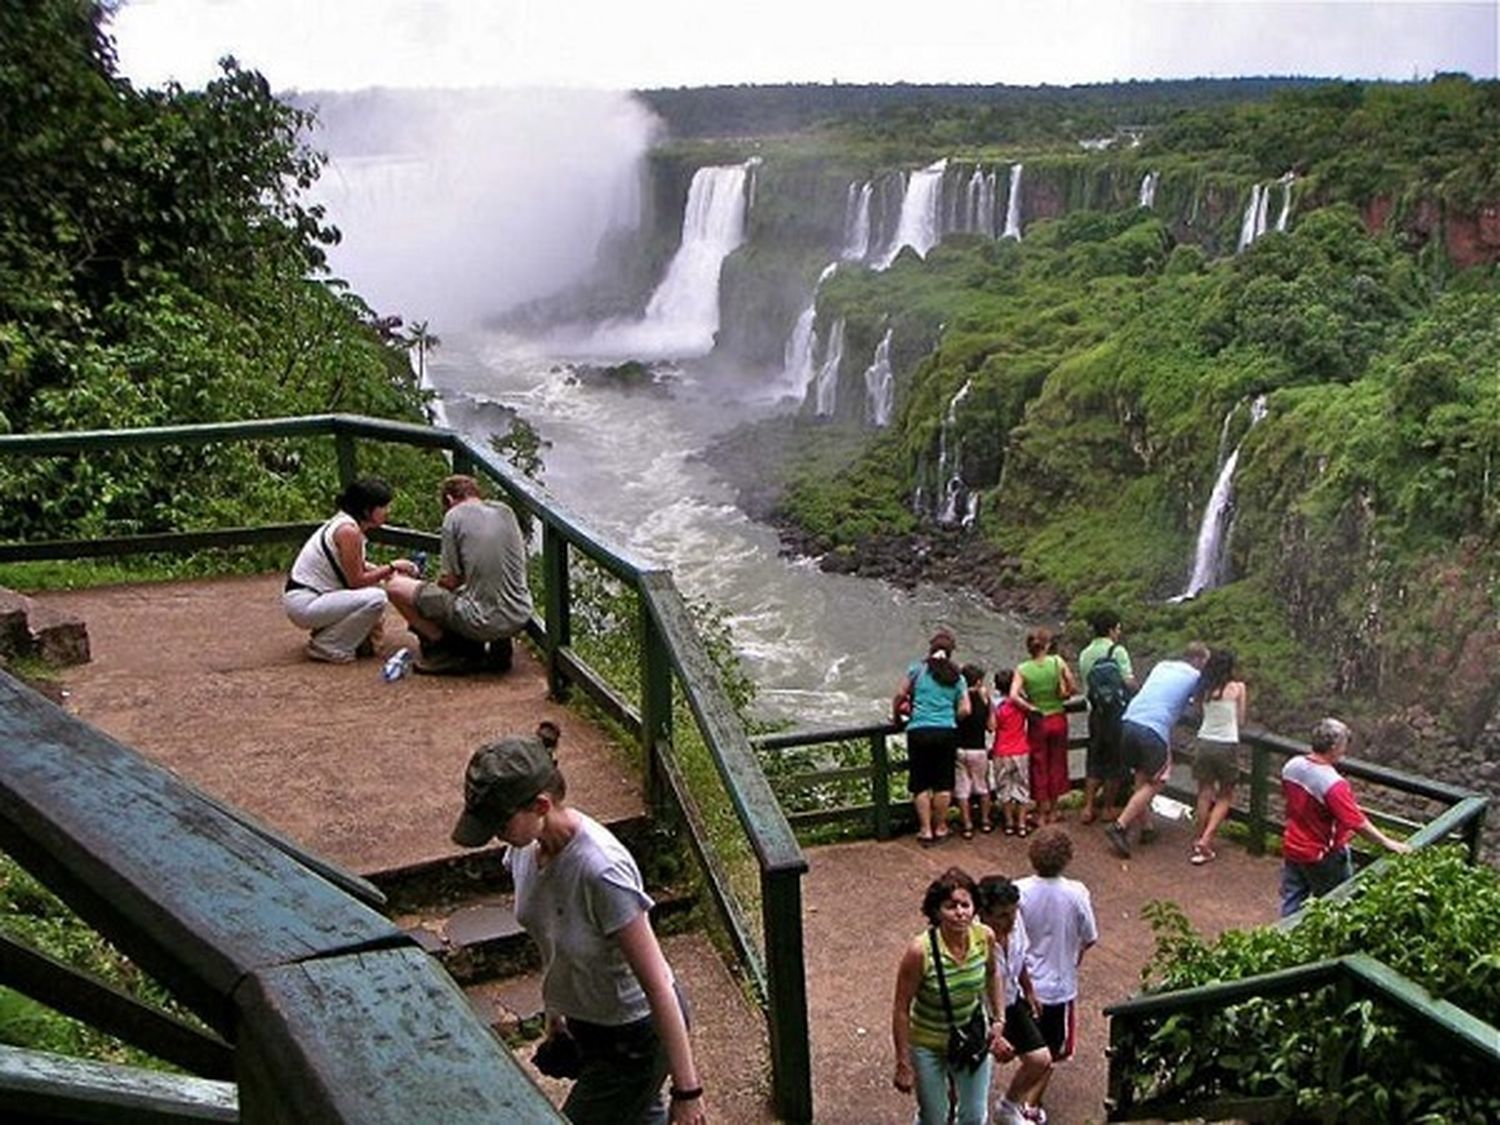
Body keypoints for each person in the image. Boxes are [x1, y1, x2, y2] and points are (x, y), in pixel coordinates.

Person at [450, 731, 705, 1124]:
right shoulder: (523, 852)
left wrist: (688, 1092)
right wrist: (557, 1015)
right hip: (589, 1025)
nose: (493, 834)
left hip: (635, 1037)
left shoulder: (601, 871)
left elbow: (658, 983)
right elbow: (550, 936)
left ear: (540, 805)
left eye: (499, 821)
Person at [891, 867, 1009, 1125]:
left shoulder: (984, 937)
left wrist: (999, 1018)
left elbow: (992, 974)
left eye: (965, 905)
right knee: (934, 1116)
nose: (959, 912)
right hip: (929, 1043)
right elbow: (901, 1008)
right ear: (936, 912)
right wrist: (903, 1061)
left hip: (972, 1036)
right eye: (950, 906)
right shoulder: (920, 952)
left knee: (975, 1115)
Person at [388, 474, 534, 675]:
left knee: (396, 587)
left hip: (482, 620)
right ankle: (498, 648)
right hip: (520, 614)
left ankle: (446, 647)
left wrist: (423, 587)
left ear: (449, 499)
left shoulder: (454, 516)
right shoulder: (505, 511)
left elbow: (450, 581)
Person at [1279, 717, 1410, 917]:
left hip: (1293, 843)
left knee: (1292, 900)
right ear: (1333, 747)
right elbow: (1357, 822)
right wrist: (1388, 842)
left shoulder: (1292, 766)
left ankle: (1283, 939)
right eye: (1343, 744)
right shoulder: (1333, 784)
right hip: (1323, 853)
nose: (1345, 749)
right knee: (1338, 905)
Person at [282, 477, 419, 664]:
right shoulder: (348, 531)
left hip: (311, 598)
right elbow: (356, 581)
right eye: (383, 507)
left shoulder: (347, 524)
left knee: (375, 591)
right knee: (376, 598)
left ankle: (331, 635)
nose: (388, 511)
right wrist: (392, 567)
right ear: (367, 509)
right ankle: (328, 646)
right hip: (306, 602)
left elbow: (356, 566)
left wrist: (389, 572)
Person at [1104, 641, 1210, 860]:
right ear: (1199, 660)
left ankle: (1147, 827)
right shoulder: (1195, 677)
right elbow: (1198, 707)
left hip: (1129, 721)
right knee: (1158, 780)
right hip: (1153, 729)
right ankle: (1120, 825)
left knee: (1142, 776)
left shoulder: (1162, 665)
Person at [1016, 828, 1097, 1075]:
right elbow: (1090, 936)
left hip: (1025, 982)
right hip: (1059, 985)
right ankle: (1032, 1101)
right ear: (1068, 858)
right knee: (1053, 1045)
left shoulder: (1017, 890)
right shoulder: (1077, 892)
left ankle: (1028, 1092)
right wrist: (1074, 958)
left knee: (1028, 1043)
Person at [976, 875, 1053, 1125]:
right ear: (984, 914)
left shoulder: (1016, 922)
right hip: (978, 1014)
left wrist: (1029, 990)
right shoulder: (974, 941)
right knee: (967, 1082)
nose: (1010, 921)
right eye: (1001, 916)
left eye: (1012, 913)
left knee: (1040, 1060)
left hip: (1010, 1001)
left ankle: (1007, 1107)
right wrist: (992, 1036)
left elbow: (1019, 959)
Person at [893, 631, 972, 846]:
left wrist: (896, 715)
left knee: (920, 783)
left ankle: (925, 829)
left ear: (930, 649)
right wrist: (949, 717)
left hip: (918, 730)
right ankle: (941, 826)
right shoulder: (957, 676)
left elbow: (900, 695)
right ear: (951, 651)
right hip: (946, 731)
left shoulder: (917, 670)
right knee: (943, 783)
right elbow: (966, 709)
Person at [1010, 629, 1078, 827]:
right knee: (1057, 763)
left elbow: (1014, 696)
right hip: (1058, 717)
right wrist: (1063, 695)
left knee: (1039, 765)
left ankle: (1040, 813)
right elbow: (1073, 687)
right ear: (1046, 645)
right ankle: (1054, 811)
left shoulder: (1023, 669)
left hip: (1038, 721)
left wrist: (1030, 707)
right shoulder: (1057, 662)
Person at [1076, 611, 1138, 826]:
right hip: (1116, 714)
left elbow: (1086, 685)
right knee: (1115, 761)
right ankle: (1108, 808)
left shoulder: (1085, 653)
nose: (1119, 633)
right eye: (1118, 628)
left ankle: (1087, 807)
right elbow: (1128, 682)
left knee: (1095, 757)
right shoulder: (1117, 651)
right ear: (1111, 629)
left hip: (1095, 713)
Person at [1188, 649, 1248, 865]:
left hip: (1204, 741)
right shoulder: (1237, 688)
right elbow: (1240, 720)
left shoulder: (1204, 689)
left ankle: (1198, 838)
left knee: (1204, 792)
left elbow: (1198, 713)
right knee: (1225, 795)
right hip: (1226, 743)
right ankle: (1206, 840)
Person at [954, 663, 994, 839]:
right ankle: (985, 820)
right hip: (978, 749)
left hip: (960, 749)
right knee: (983, 787)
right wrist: (990, 704)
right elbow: (991, 727)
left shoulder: (958, 700)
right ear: (978, 682)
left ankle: (967, 824)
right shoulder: (983, 701)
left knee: (962, 788)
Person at [991, 670, 1032, 838]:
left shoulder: (996, 705)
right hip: (1020, 750)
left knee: (1004, 787)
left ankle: (1009, 823)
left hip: (1001, 750)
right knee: (1022, 787)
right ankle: (1021, 824)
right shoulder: (1020, 703)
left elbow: (992, 726)